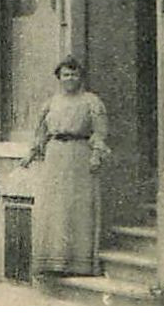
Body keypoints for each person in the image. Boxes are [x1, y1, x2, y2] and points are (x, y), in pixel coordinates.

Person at [20, 55, 109, 276]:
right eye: (65, 75)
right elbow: (41, 132)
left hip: (80, 155)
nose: (70, 78)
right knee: (55, 206)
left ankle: (79, 263)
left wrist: (97, 154)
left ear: (81, 77)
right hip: (55, 155)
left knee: (77, 208)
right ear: (59, 78)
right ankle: (53, 262)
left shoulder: (91, 101)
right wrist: (31, 154)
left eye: (74, 74)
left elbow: (100, 131)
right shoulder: (51, 103)